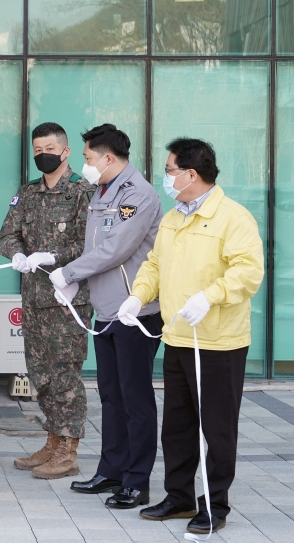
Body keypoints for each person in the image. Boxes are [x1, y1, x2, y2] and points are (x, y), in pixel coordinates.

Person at [118, 138, 264, 534]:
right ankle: (179, 497)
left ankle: (214, 505)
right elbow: (153, 264)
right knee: (178, 425)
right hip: (178, 337)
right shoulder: (174, 217)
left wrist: (210, 296)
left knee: (215, 427)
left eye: (169, 171)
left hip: (219, 342)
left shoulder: (233, 218)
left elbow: (248, 272)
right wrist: (137, 295)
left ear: (191, 174)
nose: (166, 178)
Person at [47, 124, 162, 508]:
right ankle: (111, 470)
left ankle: (136, 480)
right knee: (111, 396)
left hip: (136, 312)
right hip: (106, 309)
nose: (86, 165)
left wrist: (70, 272)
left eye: (88, 158)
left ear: (108, 158)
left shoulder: (139, 195)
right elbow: (96, 248)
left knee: (136, 398)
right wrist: (77, 285)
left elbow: (116, 249)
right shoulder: (102, 192)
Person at [0, 122, 94, 479]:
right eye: (38, 151)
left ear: (65, 152)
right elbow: (6, 235)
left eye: (49, 149)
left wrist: (53, 256)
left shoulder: (83, 192)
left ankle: (69, 451)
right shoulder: (29, 192)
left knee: (65, 377)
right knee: (42, 376)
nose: (43, 155)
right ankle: (52, 442)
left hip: (67, 302)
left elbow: (90, 245)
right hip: (35, 301)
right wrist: (18, 255)